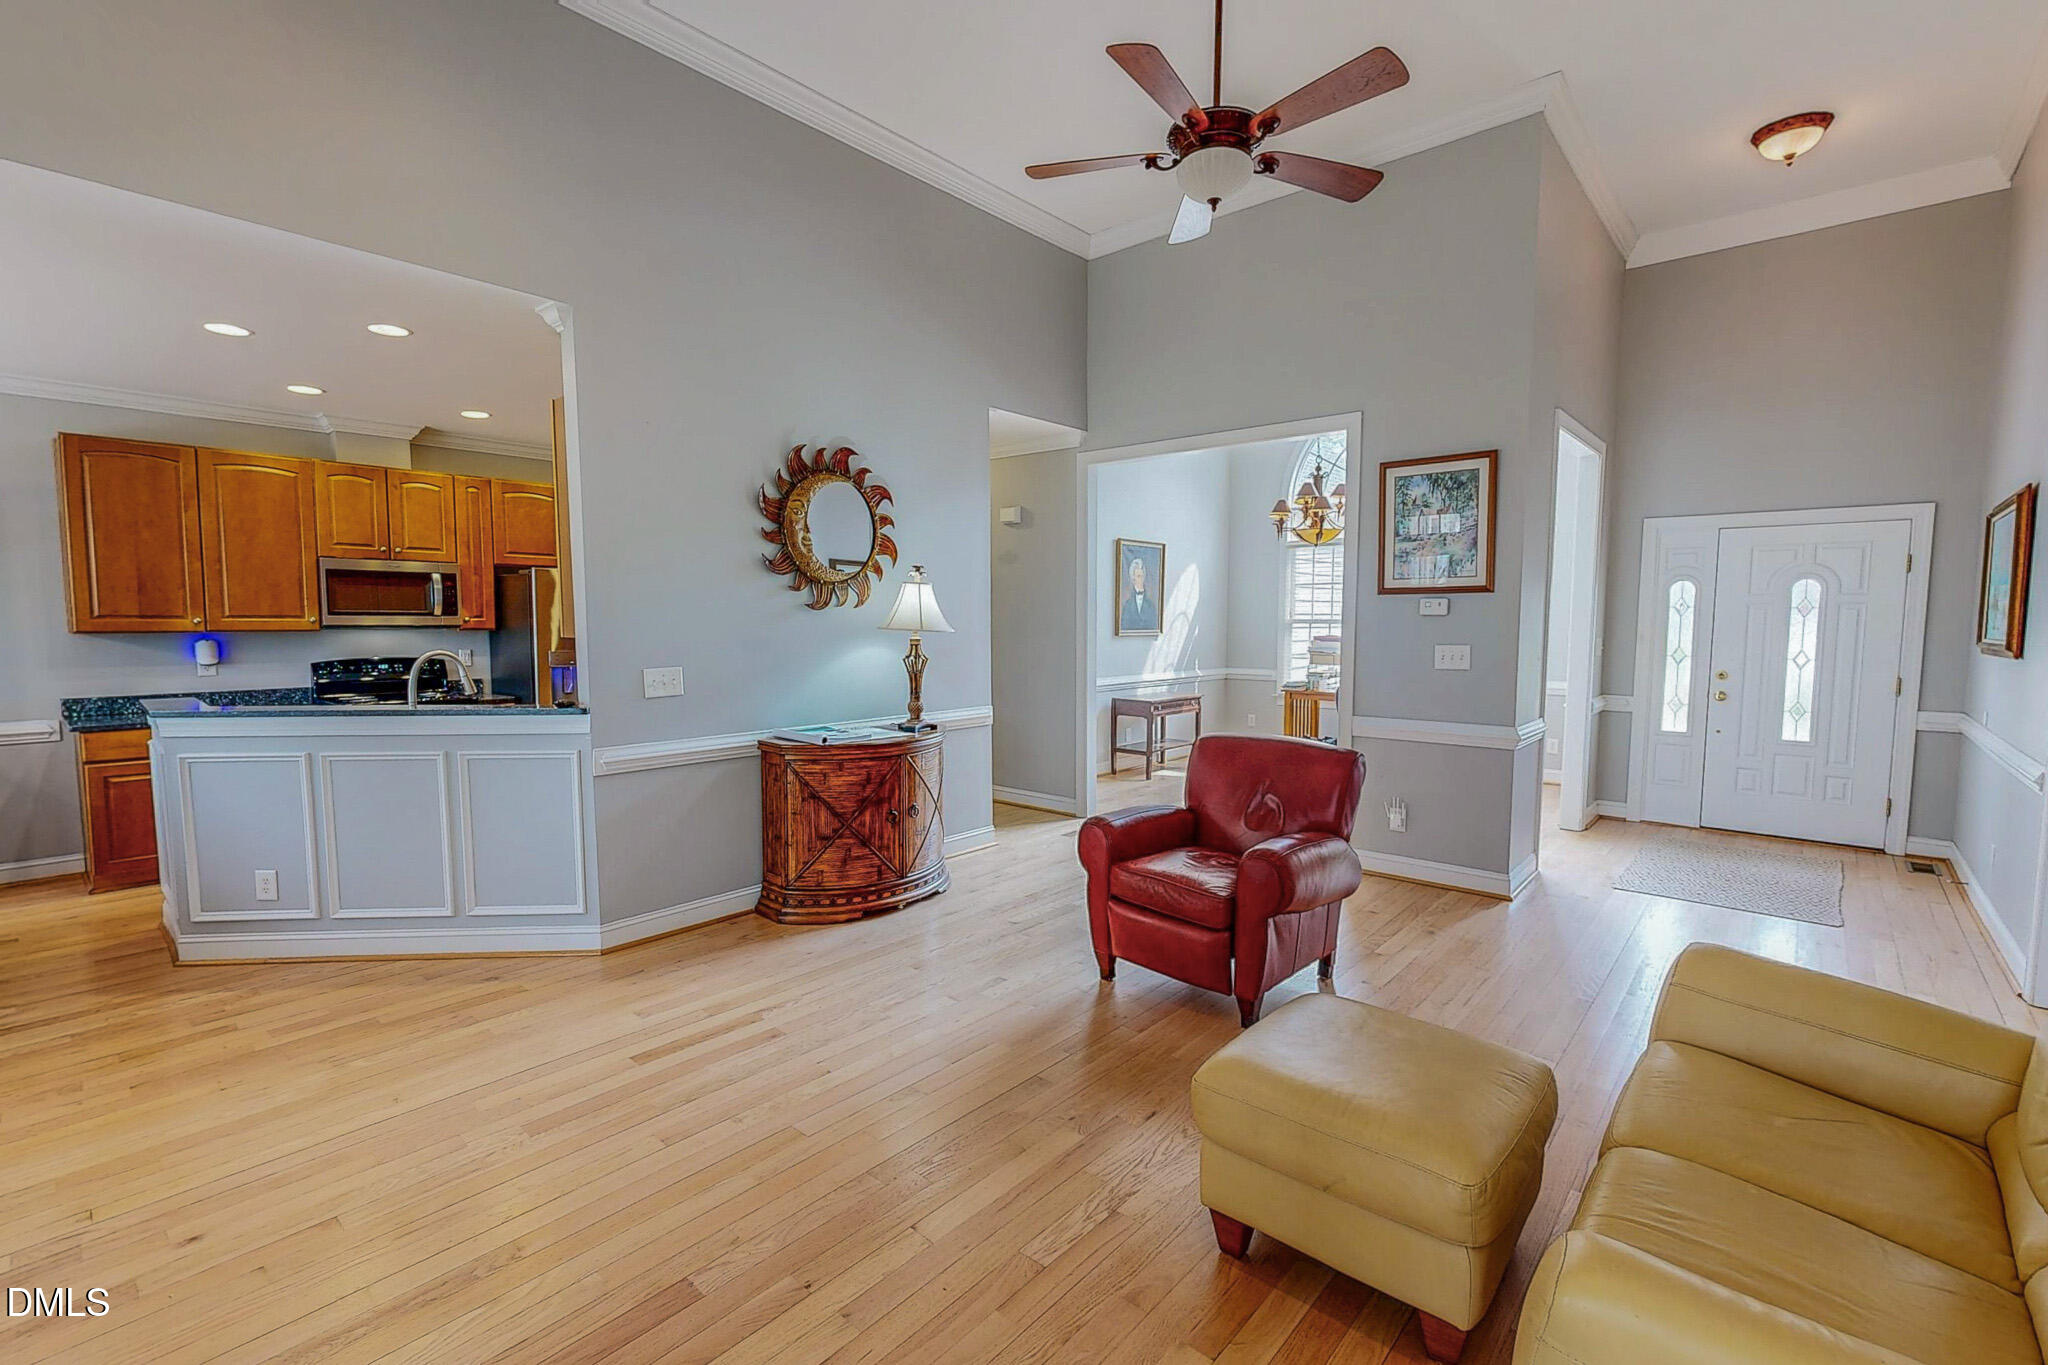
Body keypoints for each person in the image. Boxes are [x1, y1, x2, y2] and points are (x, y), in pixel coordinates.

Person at [1120, 552, 1160, 634]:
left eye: (1142, 576)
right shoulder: (1127, 606)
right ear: (1133, 578)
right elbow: (1124, 626)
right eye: (1138, 576)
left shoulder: (1151, 606)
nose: (1141, 579)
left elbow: (1154, 625)